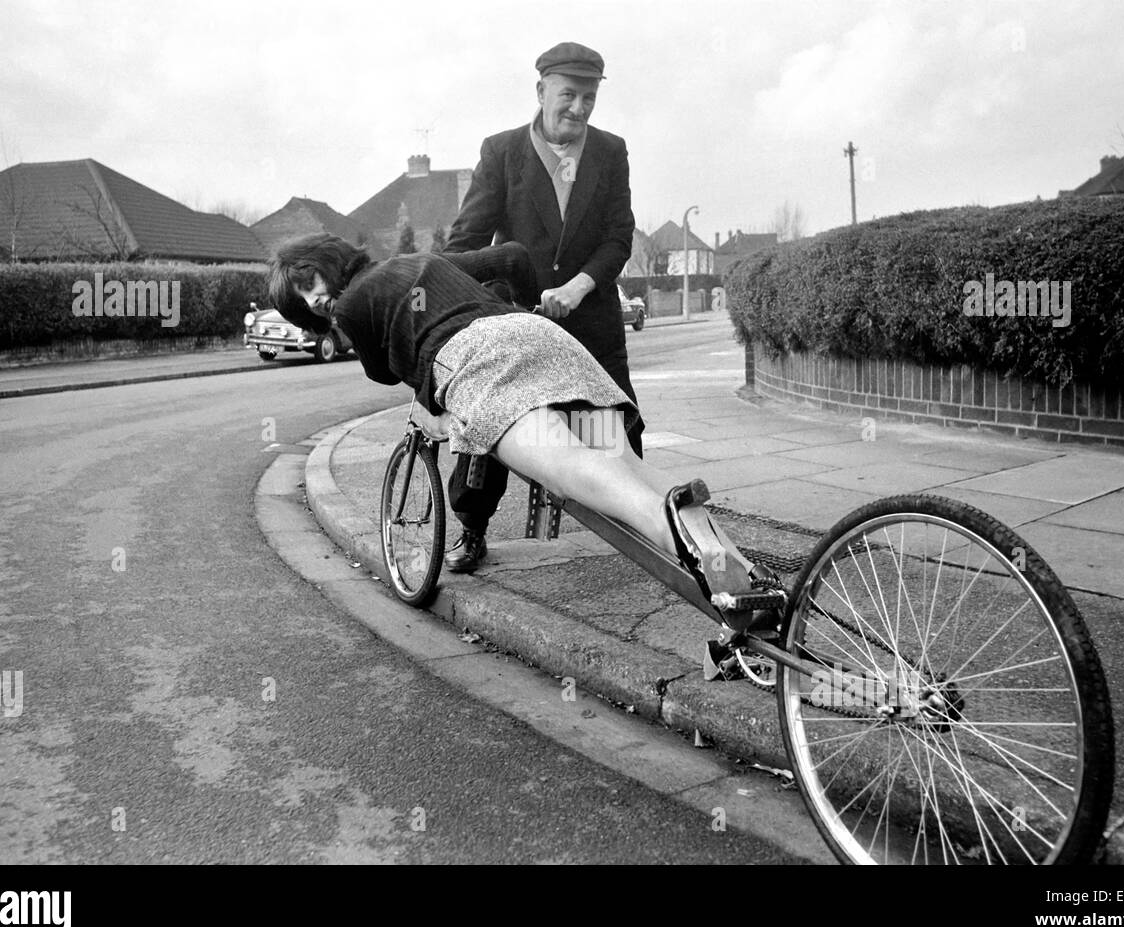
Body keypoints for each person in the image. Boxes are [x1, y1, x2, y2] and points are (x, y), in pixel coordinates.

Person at [266, 234, 759, 632]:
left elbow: (384, 372)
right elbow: (514, 257)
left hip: (486, 365)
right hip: (543, 339)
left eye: (311, 283)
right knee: (630, 469)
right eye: (305, 301)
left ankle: (721, 579)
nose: (315, 299)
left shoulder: (351, 306)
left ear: (329, 262)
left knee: (579, 477)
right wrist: (522, 309)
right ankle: (750, 583)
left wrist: (348, 331)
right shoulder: (423, 260)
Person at [440, 40, 641, 573]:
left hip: (589, 316)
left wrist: (579, 286)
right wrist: (494, 297)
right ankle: (472, 530)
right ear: (541, 90)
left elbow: (619, 237)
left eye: (589, 99)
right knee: (490, 427)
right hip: (516, 324)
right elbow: (466, 243)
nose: (578, 109)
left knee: (607, 426)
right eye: (568, 95)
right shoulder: (502, 152)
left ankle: (633, 525)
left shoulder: (610, 151)